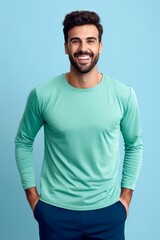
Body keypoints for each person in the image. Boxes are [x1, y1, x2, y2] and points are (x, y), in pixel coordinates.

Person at [15, 10, 143, 240]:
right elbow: (23, 141)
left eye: (90, 41)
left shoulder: (123, 95)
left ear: (101, 46)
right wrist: (34, 199)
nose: (83, 48)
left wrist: (125, 199)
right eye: (76, 41)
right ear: (66, 47)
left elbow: (134, 145)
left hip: (108, 213)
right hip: (55, 213)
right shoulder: (42, 95)